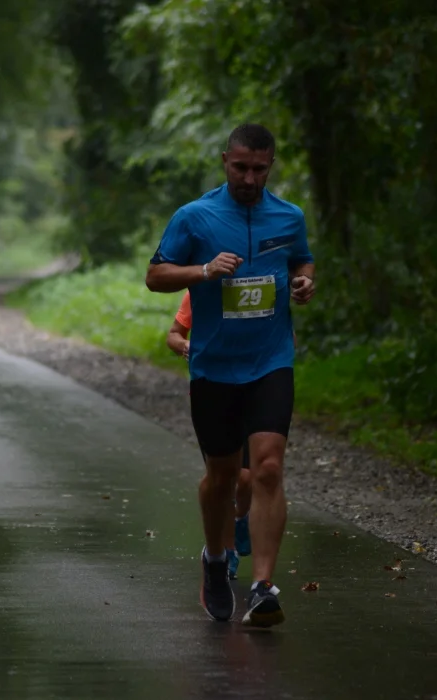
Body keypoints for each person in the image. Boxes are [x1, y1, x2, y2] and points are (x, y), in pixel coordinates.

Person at [146, 123, 316, 627]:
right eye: (240, 167)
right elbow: (155, 275)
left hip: (271, 360)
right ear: (225, 160)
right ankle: (215, 561)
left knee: (266, 468)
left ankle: (263, 586)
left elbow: (302, 261)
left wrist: (305, 283)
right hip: (215, 367)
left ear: (271, 166)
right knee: (222, 478)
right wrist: (202, 272)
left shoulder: (289, 216)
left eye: (259, 169)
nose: (249, 177)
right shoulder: (194, 218)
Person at [167, 291, 254, 581]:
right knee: (226, 479)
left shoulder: (258, 285)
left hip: (254, 389)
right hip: (212, 392)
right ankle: (227, 553)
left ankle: (242, 518)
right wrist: (186, 346)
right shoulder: (197, 292)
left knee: (248, 478)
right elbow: (173, 335)